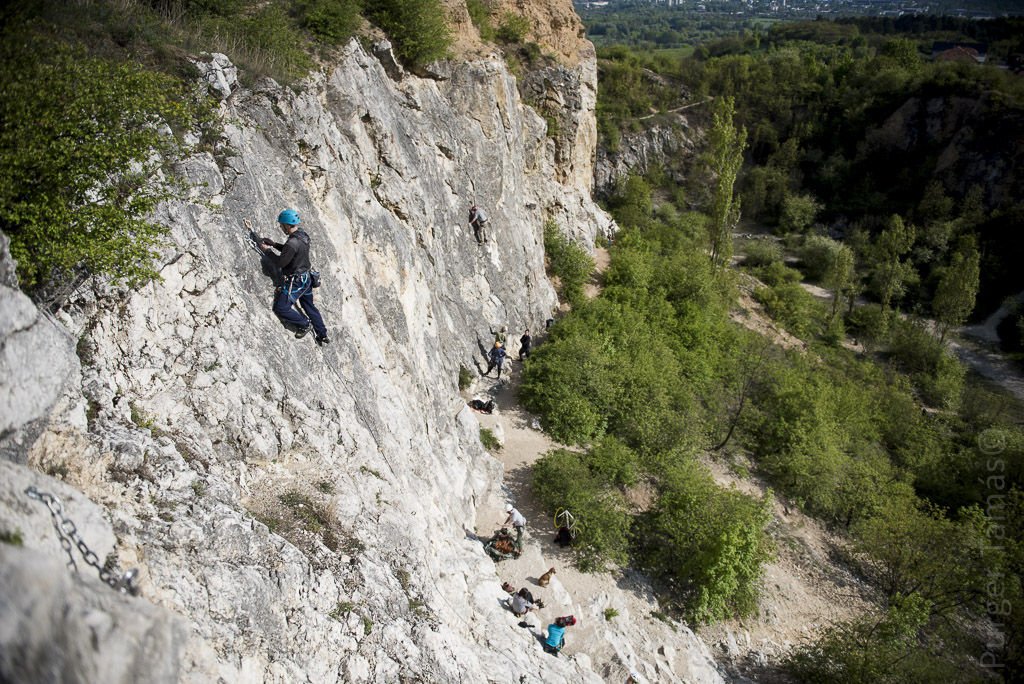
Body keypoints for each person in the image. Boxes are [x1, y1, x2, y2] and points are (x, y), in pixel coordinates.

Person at [260, 209, 330, 346]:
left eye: (281, 225)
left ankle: (304, 324)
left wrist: (267, 251)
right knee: (309, 306)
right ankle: (322, 334)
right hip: (307, 278)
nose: (281, 227)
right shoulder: (302, 235)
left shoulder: (292, 243)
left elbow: (281, 262)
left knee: (281, 308)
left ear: (287, 225)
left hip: (297, 281)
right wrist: (274, 244)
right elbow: (291, 251)